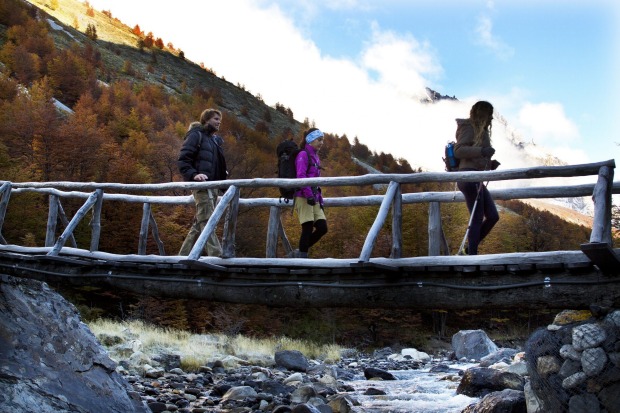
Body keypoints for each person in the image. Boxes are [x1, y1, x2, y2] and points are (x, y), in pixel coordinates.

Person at [177, 109, 228, 257]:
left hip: (211, 187)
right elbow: (183, 159)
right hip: (201, 186)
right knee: (207, 219)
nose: (219, 122)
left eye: (220, 120)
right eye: (216, 119)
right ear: (206, 119)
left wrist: (222, 182)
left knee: (199, 222)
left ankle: (183, 255)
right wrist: (194, 175)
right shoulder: (196, 135)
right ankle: (216, 254)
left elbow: (215, 165)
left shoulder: (212, 140)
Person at [454, 101, 500, 255]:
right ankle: (472, 255)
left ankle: (469, 250)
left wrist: (490, 163)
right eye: (489, 115)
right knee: (477, 217)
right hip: (468, 176)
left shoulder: (480, 130)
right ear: (482, 114)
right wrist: (482, 151)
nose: (491, 119)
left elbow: (475, 155)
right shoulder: (468, 127)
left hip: (476, 177)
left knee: (493, 216)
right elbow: (459, 151)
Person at [290, 128, 328, 258]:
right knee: (307, 228)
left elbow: (316, 181)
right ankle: (302, 259)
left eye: (322, 140)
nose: (321, 142)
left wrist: (319, 199)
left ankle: (299, 252)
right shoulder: (303, 155)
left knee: (322, 228)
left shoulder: (315, 157)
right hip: (303, 196)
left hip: (314, 198)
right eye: (319, 139)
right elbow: (300, 176)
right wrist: (308, 195)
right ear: (311, 140)